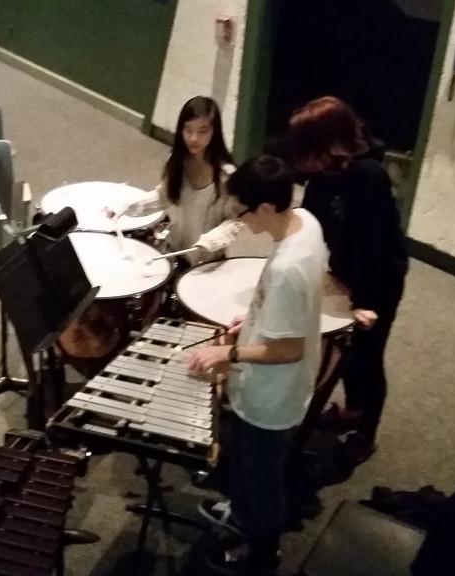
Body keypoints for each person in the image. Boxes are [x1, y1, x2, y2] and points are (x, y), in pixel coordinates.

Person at [188, 155, 327, 575]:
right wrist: (251, 318)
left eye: (242, 211)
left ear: (267, 208)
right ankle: (242, 514)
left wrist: (227, 354)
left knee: (263, 477)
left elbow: (288, 350)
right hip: (278, 383)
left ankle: (262, 553)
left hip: (272, 395)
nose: (239, 220)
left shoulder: (287, 268)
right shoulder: (306, 221)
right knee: (248, 465)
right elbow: (287, 308)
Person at [288, 96, 409, 466]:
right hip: (342, 270)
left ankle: (364, 431)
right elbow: (310, 217)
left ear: (329, 142)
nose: (303, 157)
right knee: (345, 352)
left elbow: (370, 246)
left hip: (377, 282)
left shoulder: (367, 176)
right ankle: (352, 410)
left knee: (367, 358)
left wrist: (363, 303)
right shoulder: (327, 171)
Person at [112, 96, 241, 263]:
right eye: (188, 130)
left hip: (208, 262)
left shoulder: (227, 175)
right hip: (175, 251)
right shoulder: (177, 161)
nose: (194, 138)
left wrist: (210, 242)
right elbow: (165, 196)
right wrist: (133, 206)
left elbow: (235, 221)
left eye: (202, 131)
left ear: (214, 132)